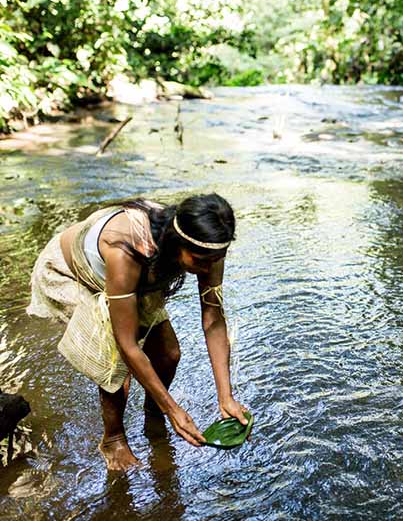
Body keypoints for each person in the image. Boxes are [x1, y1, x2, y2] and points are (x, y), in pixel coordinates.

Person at [27, 193, 248, 470]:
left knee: (168, 354)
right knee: (117, 370)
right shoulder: (127, 248)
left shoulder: (208, 248)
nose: (207, 268)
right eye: (200, 261)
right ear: (178, 243)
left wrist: (225, 397)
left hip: (139, 276)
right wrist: (174, 409)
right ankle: (113, 439)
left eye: (215, 260)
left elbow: (213, 320)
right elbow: (127, 345)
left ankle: (153, 414)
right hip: (75, 273)